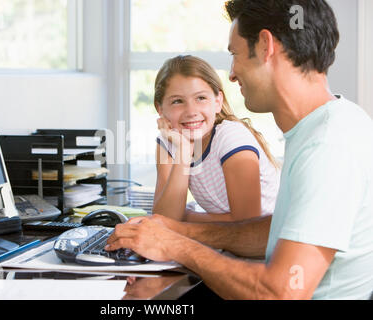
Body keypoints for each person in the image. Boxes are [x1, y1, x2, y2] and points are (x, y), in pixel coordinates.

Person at [106, 0, 373, 300]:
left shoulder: (327, 146)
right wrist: (171, 231)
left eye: (234, 54)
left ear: (264, 46)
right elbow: (277, 233)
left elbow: (280, 292)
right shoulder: (332, 122)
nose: (232, 74)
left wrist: (176, 244)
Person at [153, 55, 279, 223]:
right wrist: (184, 151)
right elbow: (163, 219)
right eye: (177, 101)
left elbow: (247, 225)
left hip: (266, 243)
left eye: (200, 98)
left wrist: (185, 216)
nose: (191, 111)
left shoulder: (230, 137)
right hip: (227, 241)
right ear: (159, 108)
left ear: (218, 101)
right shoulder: (170, 141)